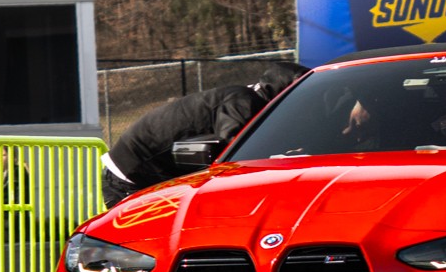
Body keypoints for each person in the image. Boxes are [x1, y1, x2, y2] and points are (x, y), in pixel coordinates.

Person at [102, 61, 305, 205]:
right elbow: (236, 154)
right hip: (132, 175)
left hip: (144, 171)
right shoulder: (243, 102)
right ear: (282, 95)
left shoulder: (244, 98)